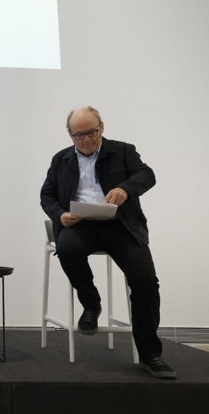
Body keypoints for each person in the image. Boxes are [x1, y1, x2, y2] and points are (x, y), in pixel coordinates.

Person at [40, 106, 175, 379]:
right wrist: (60, 215)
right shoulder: (61, 159)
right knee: (67, 247)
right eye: (79, 135)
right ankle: (91, 304)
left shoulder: (123, 151)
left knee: (145, 281)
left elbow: (147, 175)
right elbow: (47, 196)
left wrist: (125, 189)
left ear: (102, 126)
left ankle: (151, 354)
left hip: (121, 226)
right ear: (70, 135)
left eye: (92, 132)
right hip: (81, 225)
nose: (86, 139)